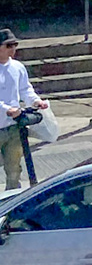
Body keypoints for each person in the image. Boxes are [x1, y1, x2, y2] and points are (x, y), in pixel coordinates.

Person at [0, 29, 48, 191]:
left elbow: (25, 90)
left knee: (14, 170)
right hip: (6, 118)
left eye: (15, 45)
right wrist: (7, 109)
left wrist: (36, 101)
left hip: (13, 127)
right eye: (9, 45)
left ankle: (11, 203)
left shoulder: (17, 67)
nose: (13, 49)